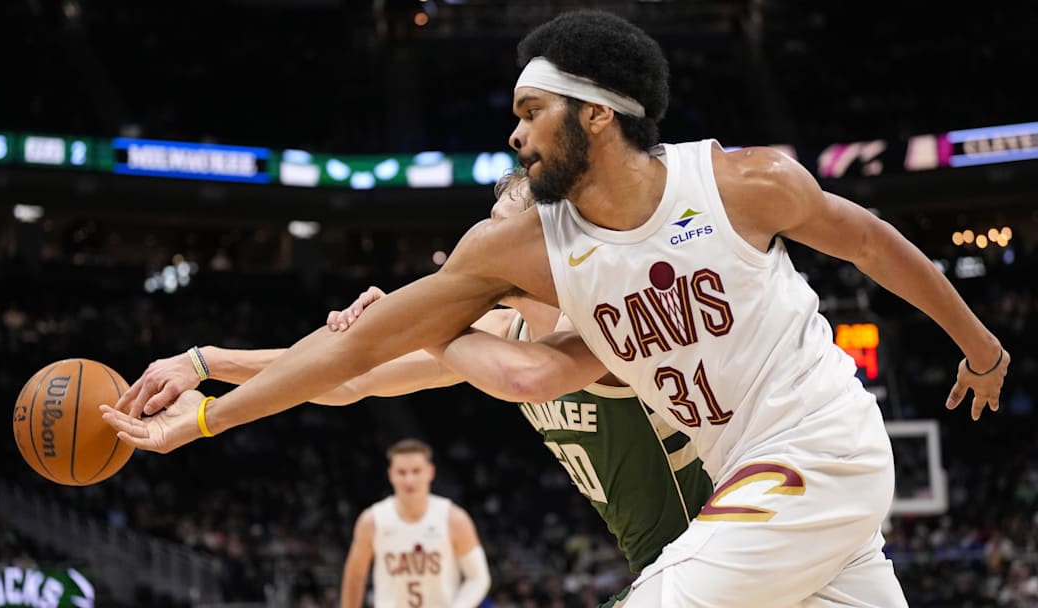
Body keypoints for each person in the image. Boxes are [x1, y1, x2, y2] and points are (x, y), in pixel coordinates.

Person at [102, 9, 1009, 606]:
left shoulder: (741, 180)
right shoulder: (527, 272)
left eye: (530, 110)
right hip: (753, 497)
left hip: (813, 449)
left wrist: (979, 346)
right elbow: (354, 365)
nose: (513, 130)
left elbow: (871, 241)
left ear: (599, 114)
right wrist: (208, 391)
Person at [110, 170, 714, 606]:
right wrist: (207, 363)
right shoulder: (506, 325)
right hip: (663, 565)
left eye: (499, 229)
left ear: (546, 240)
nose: (478, 245)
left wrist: (412, 325)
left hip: (716, 552)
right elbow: (354, 377)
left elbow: (524, 377)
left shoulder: (603, 318)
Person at [340, 438, 490, 608]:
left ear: (430, 472)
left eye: (416, 471)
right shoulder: (371, 521)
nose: (409, 480)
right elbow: (355, 575)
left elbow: (479, 577)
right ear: (391, 474)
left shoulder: (454, 519)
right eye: (402, 472)